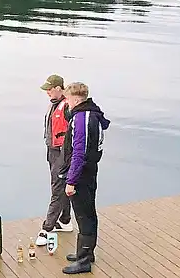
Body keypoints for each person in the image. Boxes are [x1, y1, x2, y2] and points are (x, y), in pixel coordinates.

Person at [61, 83, 110, 274]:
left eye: (67, 100)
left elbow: (79, 152)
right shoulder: (92, 114)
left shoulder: (82, 118)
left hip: (82, 174)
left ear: (74, 99)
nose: (67, 104)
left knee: (84, 215)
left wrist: (71, 180)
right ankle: (86, 253)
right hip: (90, 171)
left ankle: (84, 260)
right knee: (88, 211)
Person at [35, 74, 74, 247]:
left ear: (59, 88)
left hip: (63, 154)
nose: (48, 93)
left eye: (50, 89)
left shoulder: (67, 107)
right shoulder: (54, 104)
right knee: (59, 186)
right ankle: (65, 220)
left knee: (57, 189)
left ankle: (47, 228)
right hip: (52, 151)